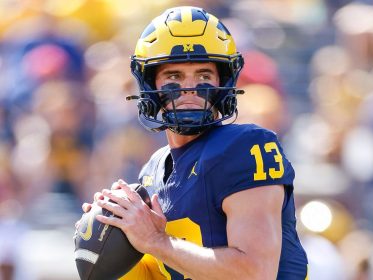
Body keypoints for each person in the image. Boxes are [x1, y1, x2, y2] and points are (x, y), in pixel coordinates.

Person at [80, 6, 308, 279]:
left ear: (223, 82)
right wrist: (114, 233)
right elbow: (168, 269)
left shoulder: (247, 147)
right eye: (174, 77)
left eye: (203, 76)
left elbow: (255, 272)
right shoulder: (152, 171)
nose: (189, 88)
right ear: (150, 84)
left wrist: (155, 240)